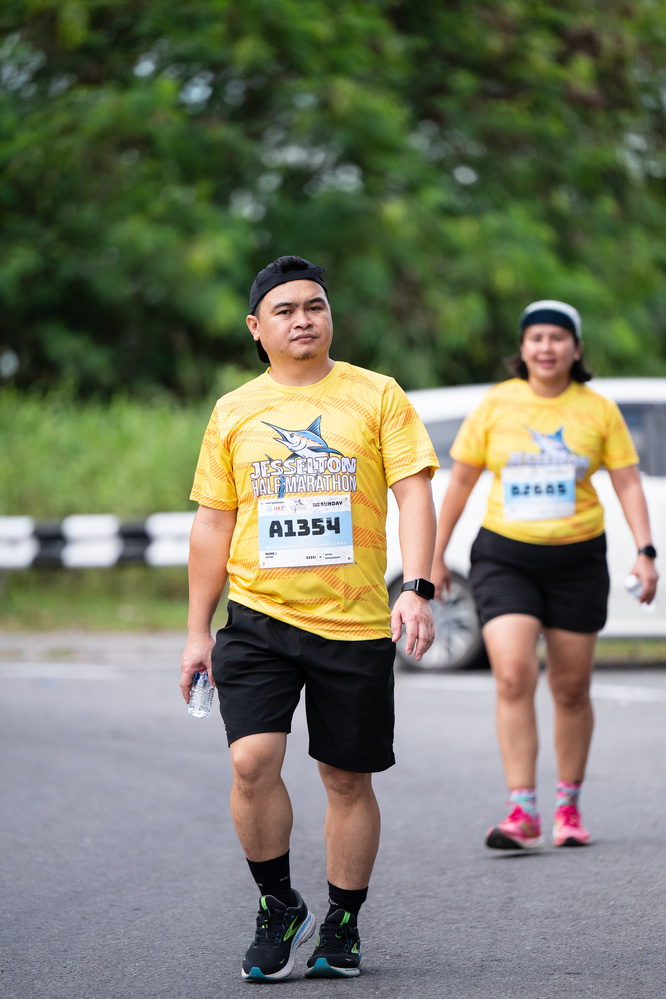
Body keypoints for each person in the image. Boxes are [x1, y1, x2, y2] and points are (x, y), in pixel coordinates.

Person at [179, 255, 438, 980]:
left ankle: (342, 921)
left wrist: (416, 586)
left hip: (354, 622)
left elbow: (415, 493)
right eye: (286, 310)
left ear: (330, 316)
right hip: (257, 616)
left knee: (346, 778)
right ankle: (278, 904)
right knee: (251, 761)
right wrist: (197, 631)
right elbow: (212, 523)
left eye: (315, 306)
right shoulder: (234, 409)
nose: (303, 320)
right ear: (256, 327)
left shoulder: (377, 394)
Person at [431, 300, 658, 851]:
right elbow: (460, 483)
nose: (547, 347)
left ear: (576, 349)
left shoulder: (598, 410)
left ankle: (568, 807)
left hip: (578, 561)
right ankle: (522, 809)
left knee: (572, 688)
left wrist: (645, 551)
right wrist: (434, 557)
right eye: (536, 338)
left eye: (558, 338)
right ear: (523, 347)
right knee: (513, 675)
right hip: (504, 558)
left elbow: (628, 482)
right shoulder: (497, 403)